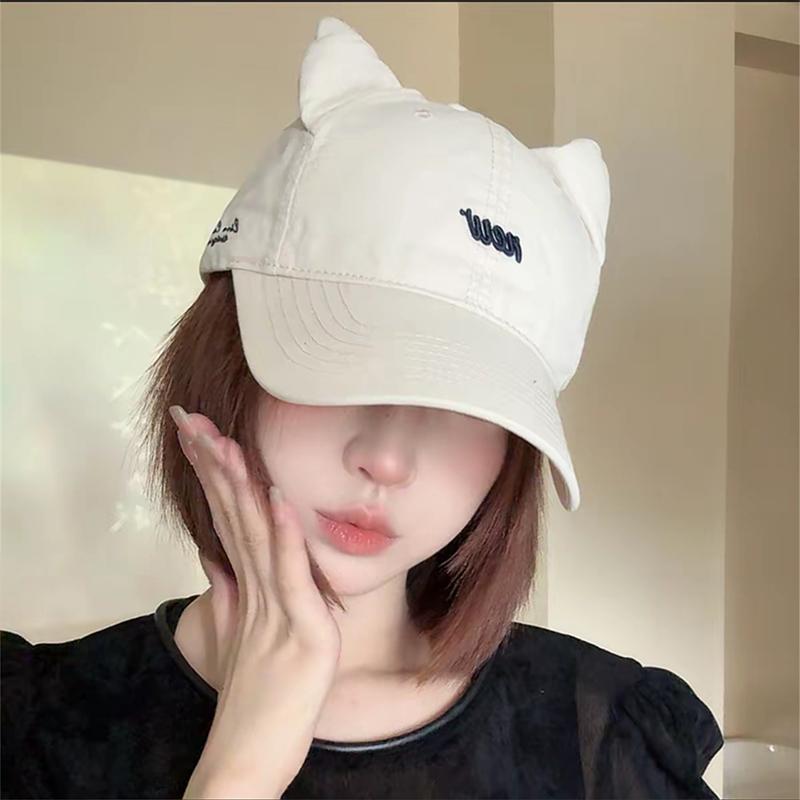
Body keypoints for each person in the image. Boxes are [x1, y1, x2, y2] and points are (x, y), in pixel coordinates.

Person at [0, 15, 724, 800]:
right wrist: (239, 770)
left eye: (464, 401)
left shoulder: (606, 742)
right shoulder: (35, 727)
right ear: (227, 351)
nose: (387, 458)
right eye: (341, 362)